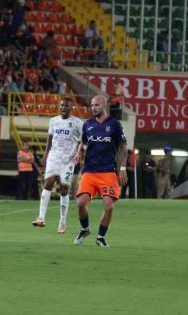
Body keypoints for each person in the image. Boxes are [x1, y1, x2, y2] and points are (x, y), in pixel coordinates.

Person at [74, 95, 127, 248]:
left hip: (108, 172)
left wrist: (122, 168)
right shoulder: (88, 124)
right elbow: (83, 142)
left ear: (104, 105)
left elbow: (123, 146)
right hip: (89, 171)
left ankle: (100, 237)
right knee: (80, 203)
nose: (93, 108)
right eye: (92, 105)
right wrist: (79, 152)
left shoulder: (115, 125)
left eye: (96, 105)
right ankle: (85, 229)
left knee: (109, 206)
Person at [32, 97, 82, 234]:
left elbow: (82, 141)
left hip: (68, 160)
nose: (63, 108)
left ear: (71, 108)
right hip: (54, 157)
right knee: (48, 183)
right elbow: (50, 138)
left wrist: (79, 153)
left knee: (64, 190)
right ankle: (41, 217)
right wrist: (46, 155)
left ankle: (62, 221)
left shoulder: (77, 123)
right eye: (61, 106)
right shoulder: (53, 121)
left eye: (66, 106)